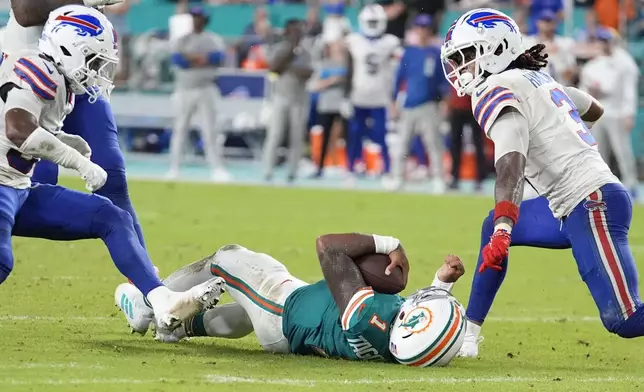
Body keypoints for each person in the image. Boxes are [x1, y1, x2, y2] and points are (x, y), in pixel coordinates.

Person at [0, 4, 225, 331]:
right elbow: (24, 10)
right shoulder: (33, 68)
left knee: (111, 199)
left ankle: (155, 297)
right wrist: (75, 159)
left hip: (61, 76)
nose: (102, 69)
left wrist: (68, 144)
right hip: (31, 69)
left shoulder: (70, 81)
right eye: (95, 62)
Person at [440, 8, 644, 357]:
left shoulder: (495, 86)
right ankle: (469, 337)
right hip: (572, 204)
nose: (462, 67)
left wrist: (506, 227)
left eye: (468, 55)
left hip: (592, 202)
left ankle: (471, 333)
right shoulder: (538, 81)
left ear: (496, 49)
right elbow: (592, 108)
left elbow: (510, 162)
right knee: (492, 226)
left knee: (624, 319)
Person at [115, 233, 467, 366]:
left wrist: (389, 244)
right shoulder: (398, 344)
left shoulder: (368, 316)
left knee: (226, 259)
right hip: (294, 331)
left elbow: (328, 247)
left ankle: (151, 303)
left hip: (283, 307)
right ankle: (178, 328)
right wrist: (441, 283)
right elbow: (418, 328)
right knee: (240, 318)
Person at [7, 0, 147, 250]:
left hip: (80, 74)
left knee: (112, 175)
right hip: (29, 74)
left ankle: (147, 285)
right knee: (35, 183)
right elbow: (25, 12)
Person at [168, 6, 230, 182]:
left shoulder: (212, 39)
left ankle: (217, 168)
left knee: (210, 130)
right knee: (180, 128)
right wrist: (199, 58)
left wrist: (194, 58)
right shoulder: (182, 39)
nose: (196, 20)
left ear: (205, 19)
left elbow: (217, 58)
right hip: (185, 88)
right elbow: (178, 60)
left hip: (206, 88)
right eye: (194, 17)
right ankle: (175, 167)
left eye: (199, 17)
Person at [343, 4, 401, 185]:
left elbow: (399, 68)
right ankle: (351, 169)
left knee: (381, 136)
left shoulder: (391, 42)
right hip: (358, 95)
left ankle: (387, 172)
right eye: (371, 21)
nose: (374, 25)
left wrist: (395, 97)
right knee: (355, 135)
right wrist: (345, 96)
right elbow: (348, 68)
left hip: (380, 97)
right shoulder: (353, 40)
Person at [579, 28, 640, 195]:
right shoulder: (592, 65)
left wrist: (629, 113)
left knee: (622, 150)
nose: (603, 44)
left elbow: (629, 90)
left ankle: (631, 183)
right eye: (600, 40)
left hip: (617, 112)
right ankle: (603, 185)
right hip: (597, 113)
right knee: (598, 152)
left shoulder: (623, 61)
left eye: (606, 40)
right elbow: (583, 90)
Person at [390, 14, 446, 193]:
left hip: (429, 104)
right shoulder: (409, 52)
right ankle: (397, 177)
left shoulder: (436, 53)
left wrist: (444, 102)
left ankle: (438, 178)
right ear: (415, 30)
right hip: (409, 104)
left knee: (433, 143)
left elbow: (442, 81)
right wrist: (393, 102)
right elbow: (399, 78)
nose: (422, 31)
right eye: (419, 27)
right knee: (402, 143)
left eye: (426, 28)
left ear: (430, 30)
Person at [262, 19, 313, 183]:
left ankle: (293, 171)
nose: (297, 34)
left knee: (296, 137)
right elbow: (273, 68)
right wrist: (290, 54)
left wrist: (289, 67)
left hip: (299, 99)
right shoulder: (280, 48)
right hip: (280, 97)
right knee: (275, 134)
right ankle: (267, 170)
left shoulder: (306, 52)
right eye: (294, 30)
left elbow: (308, 73)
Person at [309, 33, 347, 178]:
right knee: (325, 137)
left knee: (343, 136)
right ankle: (320, 167)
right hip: (326, 105)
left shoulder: (347, 64)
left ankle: (345, 166)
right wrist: (332, 81)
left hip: (342, 104)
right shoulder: (324, 65)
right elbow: (314, 85)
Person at [522, 10, 576, 85]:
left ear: (555, 24)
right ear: (538, 23)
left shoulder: (564, 43)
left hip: (559, 86)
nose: (547, 24)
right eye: (544, 20)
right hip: (536, 85)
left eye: (550, 21)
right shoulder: (528, 41)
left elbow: (571, 70)